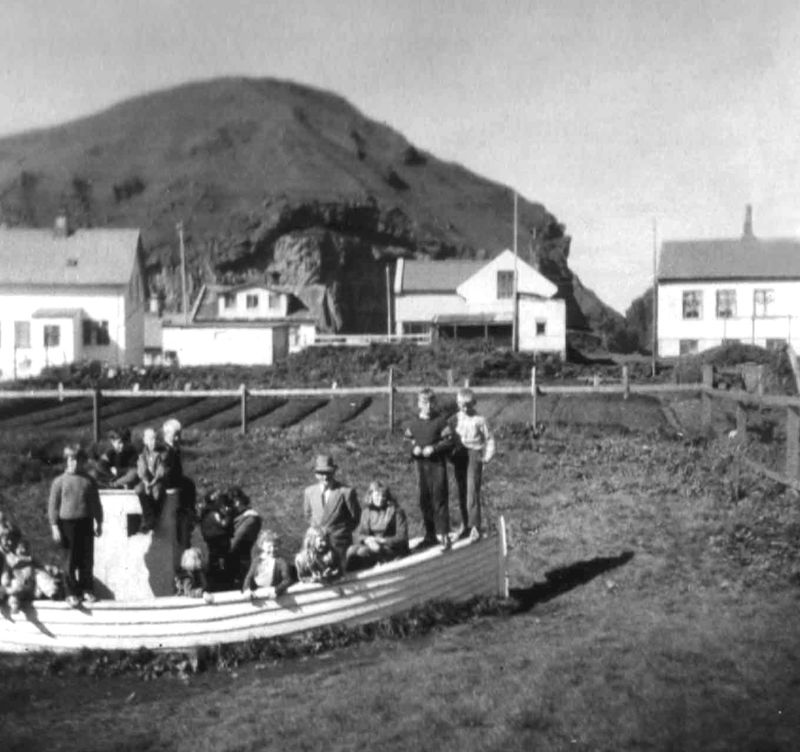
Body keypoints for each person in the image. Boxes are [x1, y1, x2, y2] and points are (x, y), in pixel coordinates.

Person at [48, 445, 103, 607]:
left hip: (85, 522)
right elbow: (53, 506)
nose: (75, 463)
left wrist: (99, 522)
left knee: (86, 558)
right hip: (67, 525)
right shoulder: (59, 482)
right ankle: (71, 592)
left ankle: (87, 589)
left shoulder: (89, 481)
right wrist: (54, 526)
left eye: (78, 459)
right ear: (66, 461)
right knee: (70, 560)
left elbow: (95, 503)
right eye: (71, 459)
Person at [403, 388, 455, 551]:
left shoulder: (441, 422)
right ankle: (430, 535)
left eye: (431, 402)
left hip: (437, 465)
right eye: (425, 402)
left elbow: (449, 441)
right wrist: (414, 449)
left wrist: (434, 448)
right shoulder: (413, 424)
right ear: (419, 404)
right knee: (424, 500)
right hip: (421, 467)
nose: (428, 406)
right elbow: (406, 441)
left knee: (439, 498)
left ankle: (444, 535)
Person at [451, 387, 496, 542]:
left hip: (474, 454)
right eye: (462, 405)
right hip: (459, 455)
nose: (465, 409)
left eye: (468, 405)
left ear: (474, 403)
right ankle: (465, 525)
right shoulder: (454, 419)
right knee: (461, 491)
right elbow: (447, 436)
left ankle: (475, 526)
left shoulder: (480, 420)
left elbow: (490, 439)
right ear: (458, 404)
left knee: (472, 491)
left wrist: (487, 457)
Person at [302, 454, 361, 569]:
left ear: (333, 472)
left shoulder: (345, 492)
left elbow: (355, 517)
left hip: (339, 542)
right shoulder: (309, 492)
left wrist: (340, 532)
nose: (325, 477)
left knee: (340, 571)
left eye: (328, 473)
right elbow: (307, 515)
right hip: (318, 544)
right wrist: (317, 532)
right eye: (321, 474)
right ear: (316, 475)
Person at [346, 481, 409, 571]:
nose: (380, 499)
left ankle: (363, 573)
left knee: (362, 552)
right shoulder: (367, 512)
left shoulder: (396, 511)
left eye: (383, 496)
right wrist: (367, 539)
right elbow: (359, 534)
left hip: (391, 547)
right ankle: (349, 573)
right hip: (372, 544)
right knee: (351, 550)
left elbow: (402, 537)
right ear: (370, 496)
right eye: (377, 496)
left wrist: (381, 541)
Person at [160, 418, 197, 552]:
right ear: (166, 434)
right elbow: (166, 474)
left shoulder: (174, 450)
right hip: (171, 494)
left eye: (179, 435)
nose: (177, 438)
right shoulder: (164, 451)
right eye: (175, 435)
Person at [227, 486, 262, 588]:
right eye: (232, 502)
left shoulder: (251, 518)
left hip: (243, 559)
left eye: (237, 500)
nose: (236, 504)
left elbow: (235, 541)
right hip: (236, 559)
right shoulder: (236, 516)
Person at [198, 490, 233, 589]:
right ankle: (221, 579)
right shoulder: (213, 513)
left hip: (210, 539)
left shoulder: (205, 513)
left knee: (214, 557)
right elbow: (223, 524)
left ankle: (215, 577)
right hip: (218, 539)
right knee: (221, 558)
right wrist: (228, 516)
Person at [242, 529, 293, 595]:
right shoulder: (257, 561)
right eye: (269, 547)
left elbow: (287, 580)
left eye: (275, 546)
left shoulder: (281, 562)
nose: (272, 549)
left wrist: (277, 590)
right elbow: (249, 577)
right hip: (258, 592)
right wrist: (246, 590)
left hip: (273, 591)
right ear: (262, 546)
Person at [134, 427, 164, 533]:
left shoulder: (160, 453)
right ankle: (147, 517)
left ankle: (153, 519)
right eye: (150, 439)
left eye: (154, 438)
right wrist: (146, 481)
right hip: (147, 480)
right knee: (139, 489)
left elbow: (161, 470)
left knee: (156, 493)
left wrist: (154, 481)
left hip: (157, 480)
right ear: (145, 441)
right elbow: (141, 469)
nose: (153, 442)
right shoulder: (142, 455)